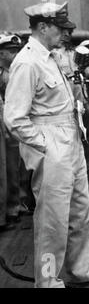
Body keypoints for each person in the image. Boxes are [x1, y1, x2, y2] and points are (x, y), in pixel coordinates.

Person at [4, 1, 89, 288]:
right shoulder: (27, 61)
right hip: (52, 143)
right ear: (43, 26)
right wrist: (45, 145)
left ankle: (82, 270)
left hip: (70, 138)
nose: (64, 33)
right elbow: (14, 118)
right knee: (53, 220)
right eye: (59, 27)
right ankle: (48, 281)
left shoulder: (51, 56)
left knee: (80, 212)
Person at [0, 33, 24, 228]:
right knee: (7, 167)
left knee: (17, 167)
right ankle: (10, 208)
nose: (15, 54)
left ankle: (17, 203)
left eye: (17, 51)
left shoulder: (18, 70)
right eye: (11, 51)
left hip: (19, 122)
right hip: (6, 124)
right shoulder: (2, 74)